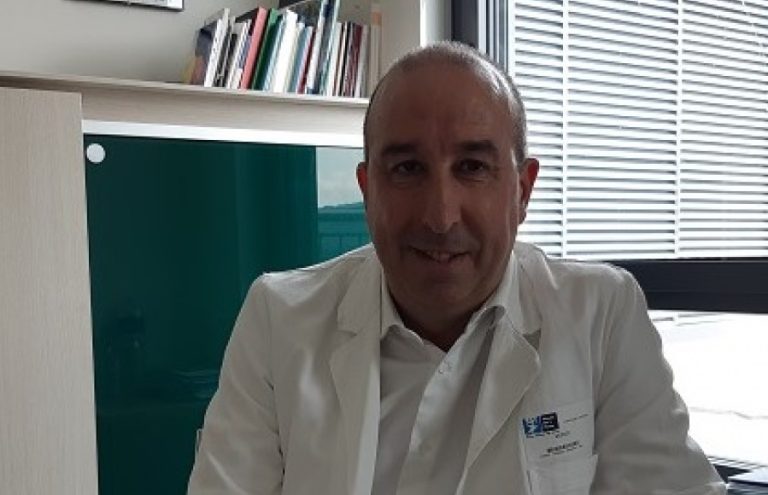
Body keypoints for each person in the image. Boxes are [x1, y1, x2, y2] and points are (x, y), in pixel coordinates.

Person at [188, 42, 725, 495]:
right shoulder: (278, 319)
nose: (440, 216)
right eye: (407, 168)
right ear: (368, 190)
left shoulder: (599, 315)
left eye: (472, 167)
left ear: (522, 190)